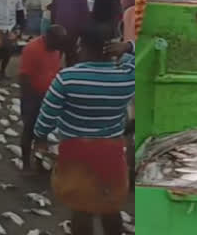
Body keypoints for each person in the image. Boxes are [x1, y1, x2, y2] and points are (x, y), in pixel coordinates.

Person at [33, 23, 135, 235]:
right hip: (111, 151)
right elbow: (148, 53)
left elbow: (47, 114)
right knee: (110, 206)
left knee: (81, 208)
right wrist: (128, 47)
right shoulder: (127, 75)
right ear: (111, 47)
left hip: (75, 151)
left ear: (83, 47)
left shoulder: (67, 77)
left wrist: (40, 137)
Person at [18, 24, 66, 173]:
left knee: (44, 132)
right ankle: (26, 164)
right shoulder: (32, 49)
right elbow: (23, 77)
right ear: (49, 37)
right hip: (33, 97)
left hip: (49, 97)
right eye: (58, 42)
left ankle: (40, 162)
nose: (60, 46)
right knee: (29, 130)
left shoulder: (57, 49)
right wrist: (33, 98)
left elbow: (56, 69)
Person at [50, 0, 89, 66]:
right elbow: (54, 11)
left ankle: (72, 74)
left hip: (73, 31)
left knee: (71, 55)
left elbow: (85, 13)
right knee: (54, 56)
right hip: (58, 31)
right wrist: (53, 27)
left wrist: (83, 32)